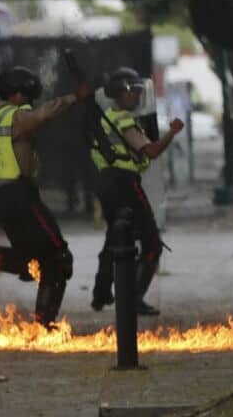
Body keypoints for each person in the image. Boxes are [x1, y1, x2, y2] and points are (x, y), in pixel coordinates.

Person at [0, 67, 93, 327]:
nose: (32, 101)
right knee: (58, 259)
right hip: (20, 194)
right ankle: (44, 325)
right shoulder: (17, 115)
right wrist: (74, 98)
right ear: (19, 94)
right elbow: (44, 115)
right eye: (29, 94)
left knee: (30, 260)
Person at [89, 67, 183, 317]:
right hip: (126, 184)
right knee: (152, 243)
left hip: (107, 184)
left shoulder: (106, 118)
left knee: (117, 236)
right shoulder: (122, 119)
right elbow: (150, 152)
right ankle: (133, 298)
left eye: (140, 91)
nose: (138, 96)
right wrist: (172, 133)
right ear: (121, 93)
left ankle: (101, 291)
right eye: (133, 91)